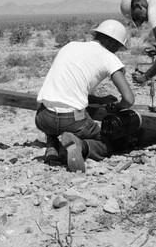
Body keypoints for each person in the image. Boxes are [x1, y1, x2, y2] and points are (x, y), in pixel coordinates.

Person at [35, 19, 135, 172]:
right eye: (118, 47)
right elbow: (128, 99)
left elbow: (68, 89)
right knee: (106, 143)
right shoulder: (109, 57)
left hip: (43, 117)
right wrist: (117, 108)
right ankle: (80, 146)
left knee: (54, 122)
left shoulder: (70, 46)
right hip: (71, 120)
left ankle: (52, 147)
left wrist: (99, 100)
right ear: (114, 43)